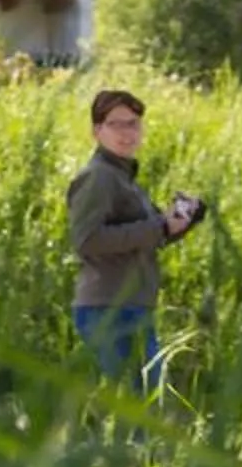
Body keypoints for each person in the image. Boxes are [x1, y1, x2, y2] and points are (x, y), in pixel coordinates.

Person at [65, 87, 197, 394]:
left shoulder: (122, 176)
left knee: (143, 401)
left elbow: (143, 238)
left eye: (133, 124)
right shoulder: (98, 176)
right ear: (97, 131)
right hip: (108, 307)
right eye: (116, 124)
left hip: (131, 305)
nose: (127, 133)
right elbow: (87, 240)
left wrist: (177, 225)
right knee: (138, 406)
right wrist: (158, 226)